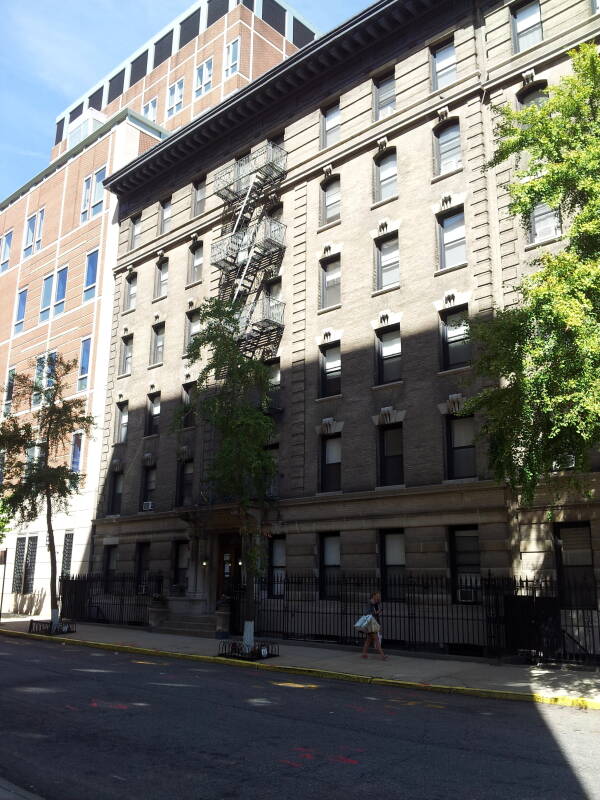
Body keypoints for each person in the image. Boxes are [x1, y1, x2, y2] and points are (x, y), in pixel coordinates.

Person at [361, 591, 388, 660]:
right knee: (377, 639)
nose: (378, 597)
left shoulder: (375, 603)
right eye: (377, 596)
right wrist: (377, 612)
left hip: (373, 623)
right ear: (373, 596)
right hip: (371, 624)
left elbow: (375, 612)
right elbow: (368, 613)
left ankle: (364, 654)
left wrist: (377, 611)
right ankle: (382, 655)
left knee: (368, 640)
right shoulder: (370, 603)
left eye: (379, 596)